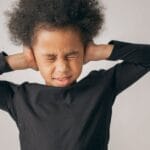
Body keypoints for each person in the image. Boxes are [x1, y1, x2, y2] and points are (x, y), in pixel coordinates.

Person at [0, 0, 149, 150]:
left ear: (84, 50)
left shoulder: (101, 87)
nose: (62, 68)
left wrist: (101, 51)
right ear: (33, 55)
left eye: (71, 55)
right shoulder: (18, 98)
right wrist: (14, 61)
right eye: (50, 58)